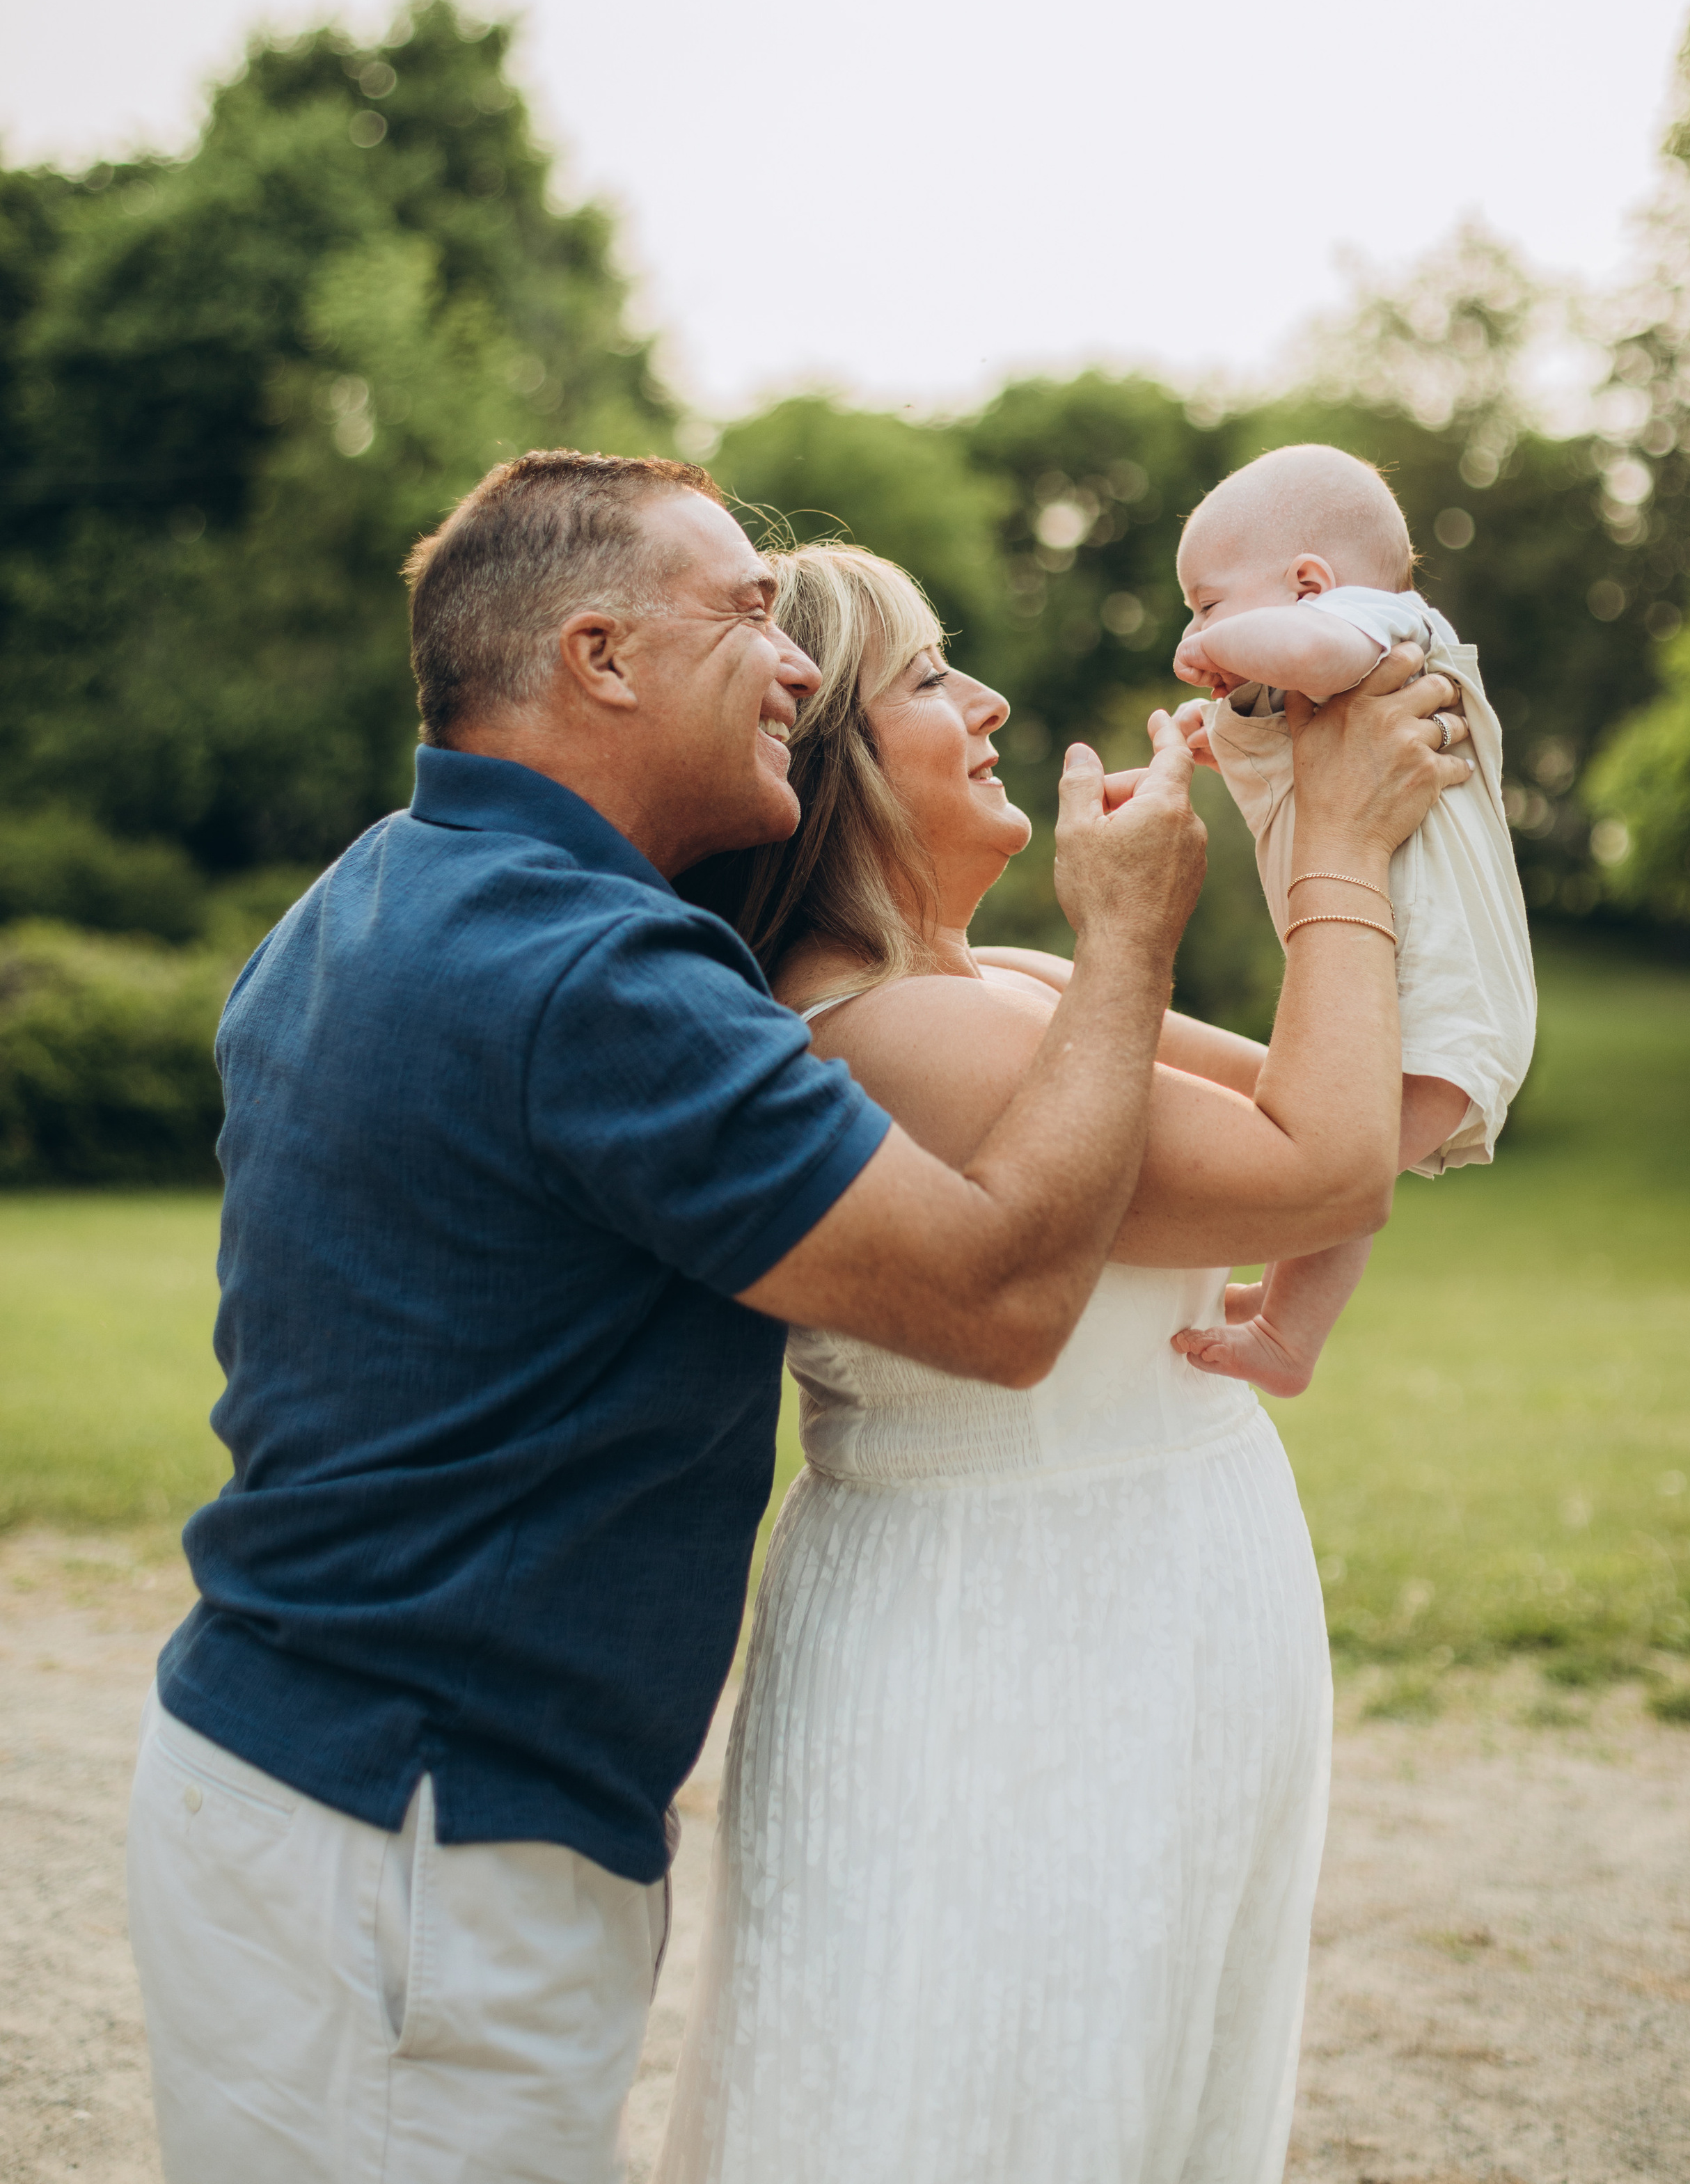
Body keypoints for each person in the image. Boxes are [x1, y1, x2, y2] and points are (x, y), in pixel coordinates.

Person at [125, 449, 1213, 2184]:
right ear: (601, 659)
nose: (798, 668)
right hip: (423, 1849)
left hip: (298, 1786)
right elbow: (1001, 1298)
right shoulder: (598, 979)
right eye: (748, 618)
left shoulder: (371, 893)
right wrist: (1127, 936)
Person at [655, 541, 1471, 2184]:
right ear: (833, 763)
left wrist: (1296, 795)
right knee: (996, 2097)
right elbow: (1328, 1171)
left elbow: (1392, 1109)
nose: (988, 699)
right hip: (1014, 1657)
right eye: (929, 676)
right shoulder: (881, 1031)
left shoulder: (1011, 982)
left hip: (1140, 1619)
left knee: (1135, 2082)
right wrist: (1336, 857)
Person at [1167, 443, 1535, 1397]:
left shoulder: (1375, 622)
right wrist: (1207, 739)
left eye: (1207, 603)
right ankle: (1286, 1317)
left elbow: (1314, 654)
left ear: (1309, 583)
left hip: (1441, 1001)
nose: (1196, 630)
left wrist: (1219, 650)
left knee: (1331, 1171)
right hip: (1444, 1005)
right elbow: (1283, 713)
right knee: (1343, 1166)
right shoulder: (1338, 662)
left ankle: (1289, 1333)